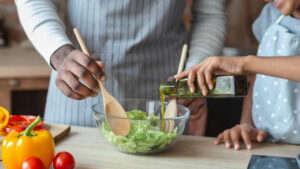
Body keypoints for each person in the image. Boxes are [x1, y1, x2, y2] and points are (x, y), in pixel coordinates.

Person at [14, 0, 227, 135]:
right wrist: (58, 51)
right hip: (78, 90)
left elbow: (210, 15)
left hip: (165, 97)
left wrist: (194, 71)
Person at [175, 0, 300, 148]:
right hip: (272, 147)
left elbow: (254, 66)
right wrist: (246, 124)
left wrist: (244, 63)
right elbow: (259, 77)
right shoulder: (271, 15)